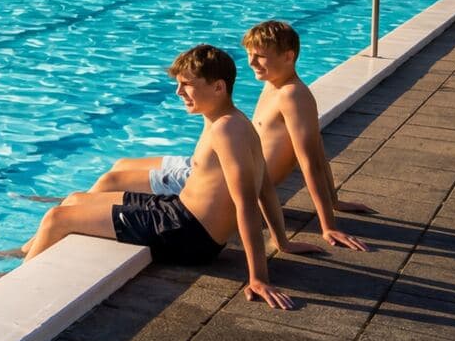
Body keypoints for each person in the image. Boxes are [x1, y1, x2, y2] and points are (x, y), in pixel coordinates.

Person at [22, 45, 295, 309]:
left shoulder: (226, 130)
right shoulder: (228, 119)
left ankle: (17, 288)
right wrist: (282, 242)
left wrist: (258, 278)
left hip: (188, 235)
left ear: (218, 87)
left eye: (187, 85)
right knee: (74, 199)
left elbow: (247, 201)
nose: (179, 92)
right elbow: (266, 188)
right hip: (178, 214)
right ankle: (26, 254)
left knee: (56, 218)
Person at [245, 19, 371, 251]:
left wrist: (328, 226)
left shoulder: (292, 95)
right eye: (250, 54)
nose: (251, 62)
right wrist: (334, 201)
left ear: (288, 56)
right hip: (231, 177)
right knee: (155, 168)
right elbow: (319, 147)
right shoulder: (273, 83)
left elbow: (310, 161)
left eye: (260, 56)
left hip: (232, 189)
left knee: (155, 175)